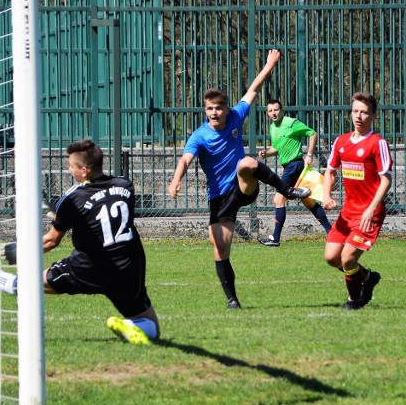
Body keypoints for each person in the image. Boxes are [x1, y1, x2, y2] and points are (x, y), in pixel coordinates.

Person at [0, 139, 160, 344]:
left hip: (89, 267)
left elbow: (51, 241)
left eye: (71, 165)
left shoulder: (72, 198)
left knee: (29, 284)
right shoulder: (125, 185)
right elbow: (102, 209)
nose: (69, 168)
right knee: (151, 327)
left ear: (85, 170)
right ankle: (131, 326)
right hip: (128, 268)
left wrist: (19, 251)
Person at [168, 49, 310, 310]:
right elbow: (186, 159)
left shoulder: (236, 114)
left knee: (246, 163)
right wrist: (176, 180)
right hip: (220, 198)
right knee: (220, 249)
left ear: (225, 108)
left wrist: (268, 66)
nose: (214, 112)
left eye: (218, 108)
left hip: (242, 186)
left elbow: (254, 88)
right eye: (210, 109)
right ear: (205, 110)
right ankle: (232, 299)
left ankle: (286, 189)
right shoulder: (199, 136)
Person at [322, 92, 392, 310]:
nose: (358, 116)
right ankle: (367, 277)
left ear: (373, 116)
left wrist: (372, 209)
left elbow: (386, 179)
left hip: (369, 214)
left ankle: (355, 300)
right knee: (332, 258)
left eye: (364, 112)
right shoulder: (341, 142)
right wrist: (326, 195)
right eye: (355, 111)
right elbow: (330, 171)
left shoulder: (377, 143)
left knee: (347, 259)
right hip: (348, 212)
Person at [258, 99, 331, 246]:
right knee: (308, 201)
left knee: (278, 200)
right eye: (270, 111)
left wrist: (309, 155)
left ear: (281, 110)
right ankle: (331, 232)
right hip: (289, 167)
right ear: (267, 113)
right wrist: (266, 153)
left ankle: (275, 238)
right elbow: (276, 148)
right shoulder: (273, 127)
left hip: (295, 165)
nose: (273, 113)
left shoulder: (291, 123)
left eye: (276, 110)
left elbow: (312, 133)